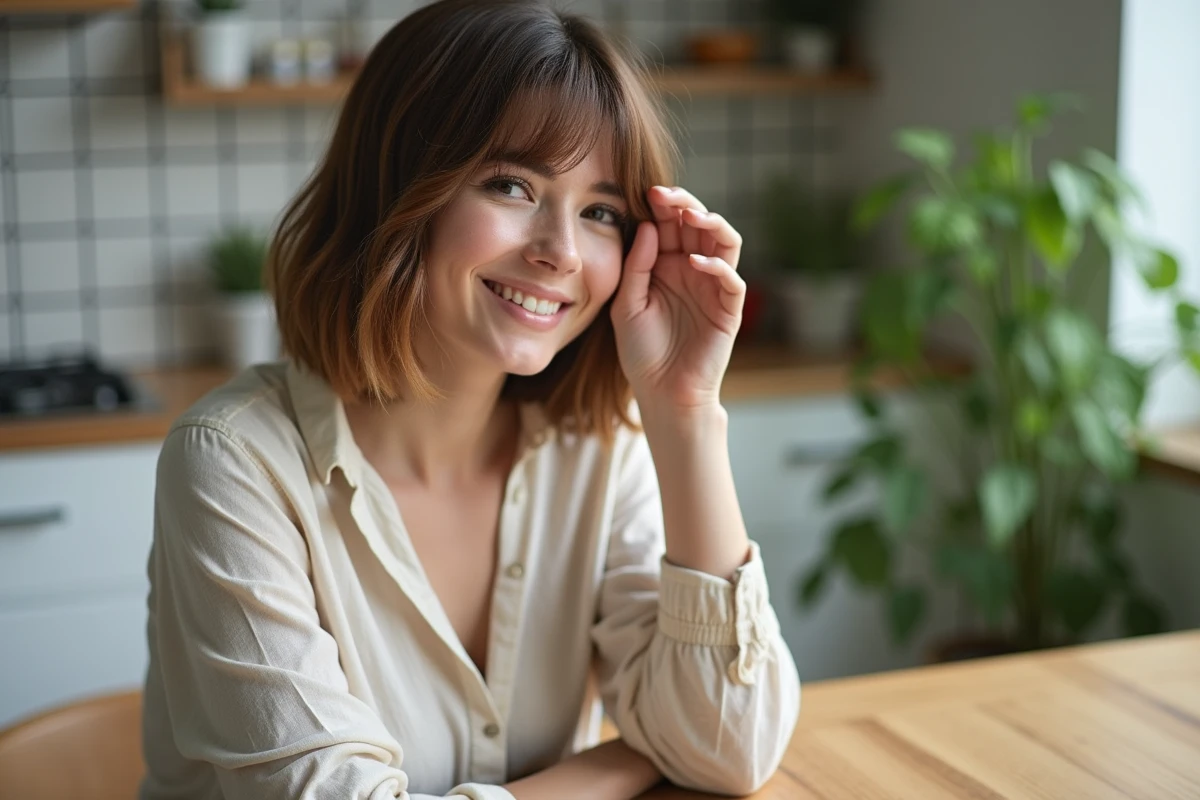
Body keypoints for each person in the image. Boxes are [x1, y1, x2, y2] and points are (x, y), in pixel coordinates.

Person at [139, 1, 801, 798]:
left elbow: (729, 749)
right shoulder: (234, 463)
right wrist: (631, 757)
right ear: (395, 191)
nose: (560, 251)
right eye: (511, 185)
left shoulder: (599, 445)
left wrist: (686, 412)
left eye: (601, 211)